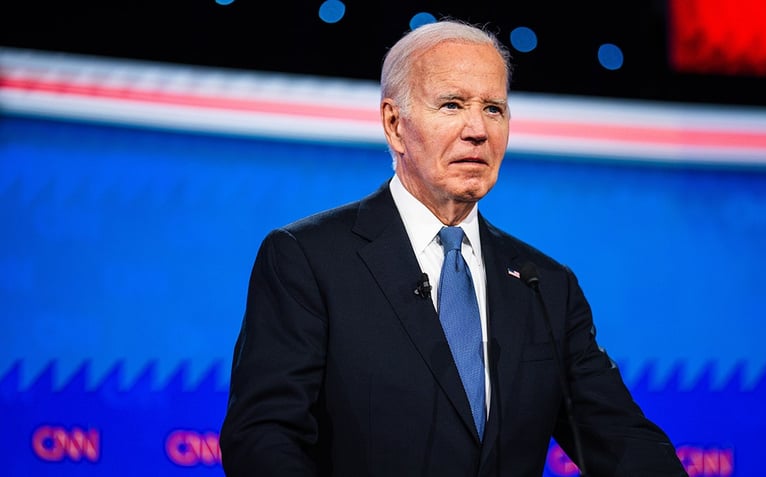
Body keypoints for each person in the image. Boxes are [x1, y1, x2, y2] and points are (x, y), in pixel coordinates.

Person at [219, 19, 687, 477]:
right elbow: (263, 438)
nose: (478, 130)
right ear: (394, 123)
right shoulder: (308, 258)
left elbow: (621, 441)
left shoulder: (546, 287)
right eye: (451, 105)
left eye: (493, 109)